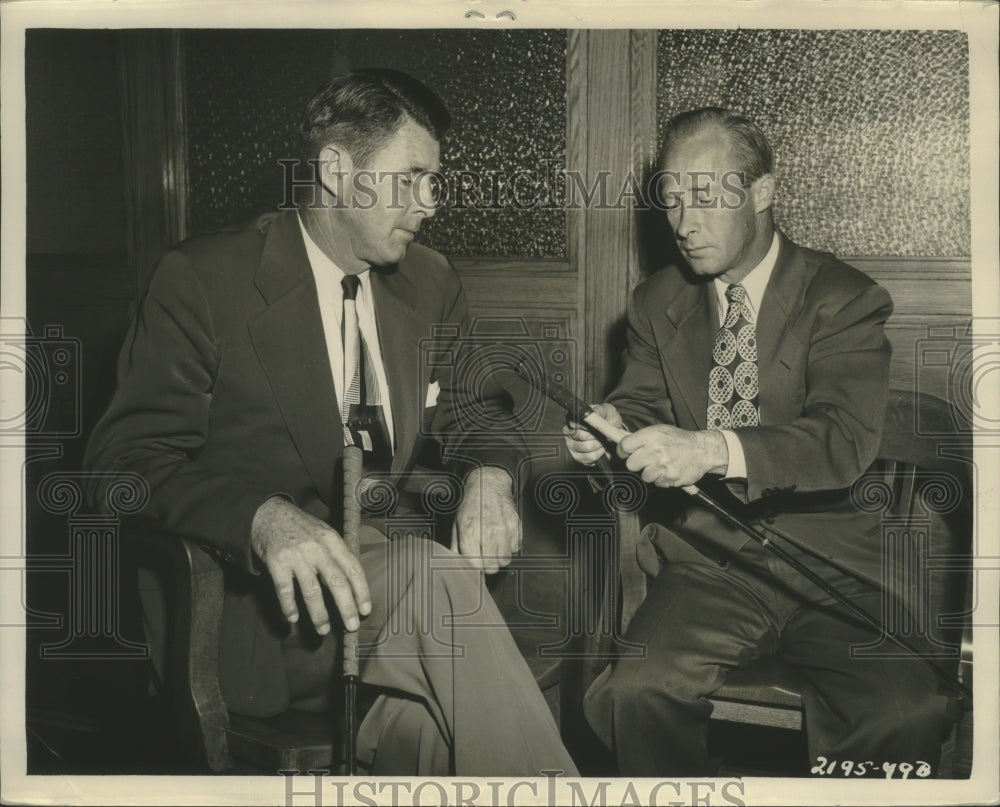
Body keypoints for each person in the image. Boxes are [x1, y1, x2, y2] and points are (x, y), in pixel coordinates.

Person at [85, 68, 576, 776]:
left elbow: (476, 411)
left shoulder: (428, 280)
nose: (431, 203)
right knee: (439, 607)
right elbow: (122, 462)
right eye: (411, 178)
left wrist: (493, 478)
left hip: (387, 601)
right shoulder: (205, 279)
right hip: (256, 612)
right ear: (337, 170)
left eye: (435, 180)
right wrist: (260, 518)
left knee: (444, 725)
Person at [563, 107, 955, 776]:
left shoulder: (842, 298)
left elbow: (840, 437)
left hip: (837, 570)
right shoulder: (658, 300)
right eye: (671, 197)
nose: (684, 221)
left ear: (764, 193)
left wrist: (712, 448)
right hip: (708, 560)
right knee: (635, 691)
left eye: (707, 195)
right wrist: (608, 437)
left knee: (904, 710)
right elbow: (638, 405)